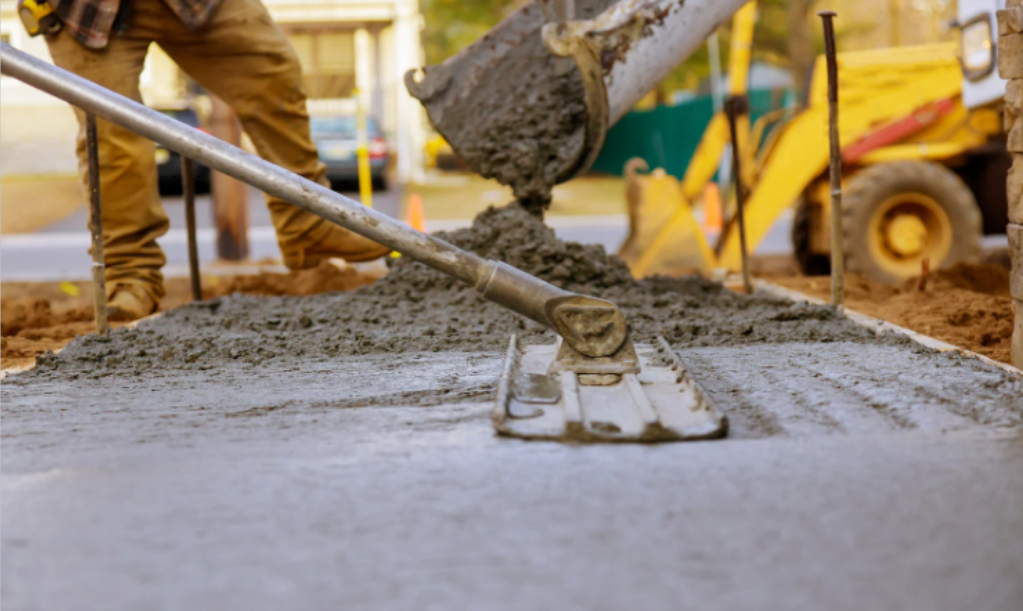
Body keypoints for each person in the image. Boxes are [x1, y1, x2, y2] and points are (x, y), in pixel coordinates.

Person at [24, 0, 390, 320]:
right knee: (111, 137)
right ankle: (129, 276)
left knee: (272, 73)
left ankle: (309, 226)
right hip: (85, 11)